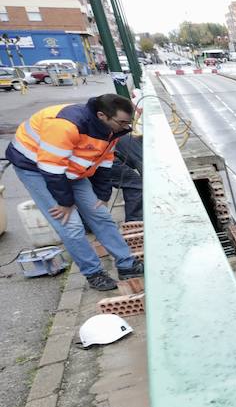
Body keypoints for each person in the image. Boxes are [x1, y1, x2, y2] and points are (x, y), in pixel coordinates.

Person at [6, 94, 141, 291]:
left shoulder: (111, 130)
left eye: (128, 122)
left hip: (69, 167)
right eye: (121, 122)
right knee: (71, 225)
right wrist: (65, 202)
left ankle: (127, 265)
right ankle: (93, 272)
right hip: (36, 167)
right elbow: (51, 169)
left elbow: (104, 162)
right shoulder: (66, 125)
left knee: (100, 215)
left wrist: (102, 195)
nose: (125, 127)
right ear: (102, 115)